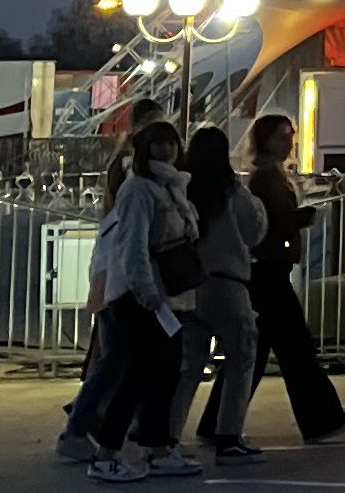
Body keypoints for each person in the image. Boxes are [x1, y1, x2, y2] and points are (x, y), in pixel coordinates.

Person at [83, 118, 203, 480]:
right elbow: (132, 244)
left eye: (172, 143)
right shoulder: (138, 190)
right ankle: (107, 453)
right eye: (158, 143)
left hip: (166, 295)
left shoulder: (172, 187)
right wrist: (145, 289)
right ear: (143, 149)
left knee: (165, 372)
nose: (167, 149)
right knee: (139, 374)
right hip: (141, 296)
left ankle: (157, 446)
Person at [57, 98, 170, 464]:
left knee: (120, 358)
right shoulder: (135, 177)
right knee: (122, 359)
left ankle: (90, 423)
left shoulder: (136, 175)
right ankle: (86, 427)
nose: (165, 146)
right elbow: (133, 235)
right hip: (121, 275)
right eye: (156, 134)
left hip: (117, 271)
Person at [239, 114, 345, 444]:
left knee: (258, 353)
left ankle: (219, 422)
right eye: (281, 137)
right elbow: (269, 222)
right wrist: (296, 221)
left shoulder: (270, 176)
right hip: (270, 269)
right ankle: (321, 420)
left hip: (268, 268)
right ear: (265, 141)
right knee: (295, 348)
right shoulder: (267, 179)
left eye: (290, 136)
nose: (288, 143)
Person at [168, 127, 266, 463]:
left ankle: (168, 437)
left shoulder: (183, 192)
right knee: (240, 362)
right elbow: (255, 231)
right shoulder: (233, 194)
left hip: (190, 285)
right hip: (228, 285)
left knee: (189, 367)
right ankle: (229, 436)